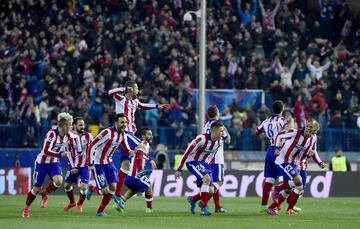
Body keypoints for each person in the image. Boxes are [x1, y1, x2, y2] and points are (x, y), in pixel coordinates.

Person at [108, 81, 168, 205]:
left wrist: (157, 106)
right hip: (126, 133)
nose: (138, 91)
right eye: (136, 88)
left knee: (125, 165)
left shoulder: (135, 102)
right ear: (131, 89)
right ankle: (150, 160)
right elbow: (110, 92)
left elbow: (143, 105)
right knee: (142, 145)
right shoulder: (121, 99)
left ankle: (117, 195)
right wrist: (124, 88)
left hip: (129, 135)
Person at [22, 112, 73, 218]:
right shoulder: (52, 134)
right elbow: (46, 150)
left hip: (53, 162)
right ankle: (26, 208)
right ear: (64, 126)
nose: (71, 127)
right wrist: (60, 154)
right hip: (42, 163)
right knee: (36, 188)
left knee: (59, 181)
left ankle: (45, 192)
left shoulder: (68, 135)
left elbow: (76, 138)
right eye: (70, 125)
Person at [266, 118, 320, 215]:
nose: (307, 128)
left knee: (295, 188)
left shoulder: (313, 138)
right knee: (298, 183)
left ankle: (276, 207)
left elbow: (312, 151)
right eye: (307, 126)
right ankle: (278, 190)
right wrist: (277, 148)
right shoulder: (295, 132)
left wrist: (319, 162)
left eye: (310, 127)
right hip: (283, 160)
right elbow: (279, 136)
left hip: (294, 163)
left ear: (315, 130)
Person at [86, 113, 133, 217]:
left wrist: (130, 152)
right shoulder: (107, 132)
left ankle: (100, 212)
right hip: (98, 164)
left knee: (113, 187)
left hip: (109, 163)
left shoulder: (123, 134)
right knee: (104, 191)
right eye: (122, 122)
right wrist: (90, 163)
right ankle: (92, 188)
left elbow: (126, 147)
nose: (124, 124)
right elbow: (91, 146)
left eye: (125, 122)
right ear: (115, 122)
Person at [175, 122, 226, 216]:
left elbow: (211, 154)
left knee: (211, 190)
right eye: (222, 131)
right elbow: (187, 152)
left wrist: (207, 164)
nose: (223, 133)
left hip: (204, 163)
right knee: (207, 179)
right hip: (192, 162)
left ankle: (193, 199)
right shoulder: (201, 139)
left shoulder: (219, 142)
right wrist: (179, 169)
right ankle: (204, 208)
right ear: (214, 131)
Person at [113, 128, 157, 213]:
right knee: (148, 186)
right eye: (148, 134)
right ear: (143, 136)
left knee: (134, 189)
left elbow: (139, 153)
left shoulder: (140, 144)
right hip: (135, 175)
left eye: (151, 134)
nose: (151, 136)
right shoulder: (145, 143)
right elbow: (140, 153)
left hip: (129, 176)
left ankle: (120, 202)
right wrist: (141, 168)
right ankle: (149, 209)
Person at [255, 100, 288, 212]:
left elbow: (256, 132)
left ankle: (264, 206)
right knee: (289, 176)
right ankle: (280, 199)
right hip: (279, 150)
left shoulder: (266, 121)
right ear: (282, 109)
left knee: (269, 179)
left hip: (270, 150)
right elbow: (288, 133)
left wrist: (267, 134)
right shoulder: (282, 120)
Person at [202, 105, 231, 213]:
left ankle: (217, 206)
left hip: (207, 156)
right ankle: (199, 200)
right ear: (217, 113)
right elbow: (228, 140)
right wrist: (226, 134)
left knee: (214, 182)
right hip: (217, 156)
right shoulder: (219, 125)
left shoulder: (205, 125)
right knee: (219, 182)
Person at [63, 117, 94, 212]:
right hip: (73, 166)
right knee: (67, 186)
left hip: (85, 165)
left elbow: (93, 150)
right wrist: (72, 166)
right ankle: (72, 202)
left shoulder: (89, 136)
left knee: (83, 187)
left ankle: (80, 204)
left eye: (83, 125)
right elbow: (66, 152)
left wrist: (91, 163)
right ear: (74, 126)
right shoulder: (68, 137)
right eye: (80, 125)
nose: (82, 127)